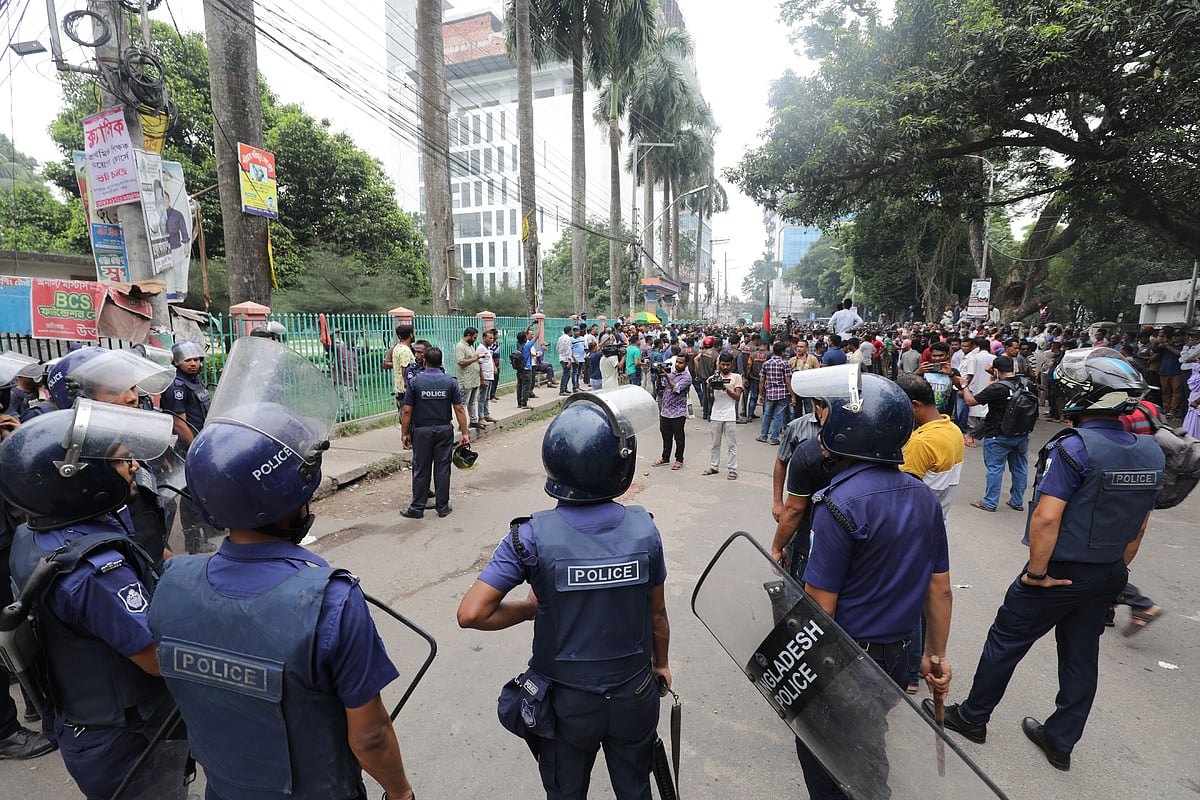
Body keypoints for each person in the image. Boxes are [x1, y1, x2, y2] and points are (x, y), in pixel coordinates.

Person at [147, 336, 417, 800]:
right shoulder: (330, 600)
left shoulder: (172, 581)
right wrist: (402, 794)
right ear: (293, 495)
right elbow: (370, 736)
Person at [933, 348, 1163, 772]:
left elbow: (1046, 518)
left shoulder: (1074, 447)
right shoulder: (1150, 451)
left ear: (1087, 396)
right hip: (1108, 572)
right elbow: (1140, 526)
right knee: (1081, 657)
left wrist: (1037, 574)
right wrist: (1116, 571)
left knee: (1006, 641)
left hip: (1058, 572)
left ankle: (973, 717)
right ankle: (1060, 742)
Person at [456, 386, 671, 800]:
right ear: (619, 466)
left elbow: (472, 613)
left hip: (565, 704)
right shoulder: (646, 531)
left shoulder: (529, 537)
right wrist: (660, 665)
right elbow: (657, 616)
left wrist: (529, 609)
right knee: (635, 788)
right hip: (634, 693)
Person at [0, 401, 190, 799]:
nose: (134, 466)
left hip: (87, 721)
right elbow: (158, 658)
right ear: (78, 481)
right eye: (120, 461)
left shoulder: (36, 533)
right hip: (128, 740)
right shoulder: (97, 573)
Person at [792, 371, 953, 800]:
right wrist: (935, 654)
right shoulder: (923, 497)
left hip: (846, 659)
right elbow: (940, 589)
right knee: (865, 738)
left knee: (829, 758)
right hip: (898, 656)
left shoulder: (837, 503)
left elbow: (819, 608)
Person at [0, 410, 55, 761]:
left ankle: (35, 697)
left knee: (17, 620)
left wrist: (15, 443)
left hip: (7, 537)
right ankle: (4, 732)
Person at [159, 340, 221, 555]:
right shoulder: (177, 386)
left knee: (205, 489)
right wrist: (195, 447)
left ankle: (209, 528)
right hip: (189, 446)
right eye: (188, 360)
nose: (194, 364)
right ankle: (193, 541)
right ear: (177, 362)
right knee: (190, 494)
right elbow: (179, 423)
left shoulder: (195, 381)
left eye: (197, 359)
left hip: (202, 442)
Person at [400, 347, 471, 519]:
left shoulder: (415, 382)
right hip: (444, 430)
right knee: (443, 468)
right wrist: (465, 433)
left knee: (421, 468)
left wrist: (404, 433)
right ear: (441, 362)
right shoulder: (450, 382)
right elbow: (459, 409)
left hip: (422, 431)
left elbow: (407, 410)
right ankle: (443, 507)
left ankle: (417, 508)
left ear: (424, 361)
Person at [959, 355, 1030, 512]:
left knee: (995, 469)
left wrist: (964, 385)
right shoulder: (1026, 384)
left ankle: (990, 502)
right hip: (1021, 433)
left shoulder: (997, 388)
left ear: (996, 371)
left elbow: (970, 401)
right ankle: (1017, 501)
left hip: (998, 435)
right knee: (1020, 469)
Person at [702, 351, 743, 480]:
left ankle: (732, 469)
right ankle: (714, 466)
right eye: (723, 364)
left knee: (731, 444)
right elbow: (709, 398)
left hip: (730, 415)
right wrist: (710, 386)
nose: (725, 367)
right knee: (715, 443)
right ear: (719, 364)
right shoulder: (712, 377)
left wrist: (725, 388)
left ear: (732, 364)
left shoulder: (736, 377)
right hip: (716, 414)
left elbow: (737, 397)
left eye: (728, 364)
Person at [652, 353, 691, 470]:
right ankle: (665, 458)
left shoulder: (687, 377)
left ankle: (679, 459)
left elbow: (676, 388)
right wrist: (659, 377)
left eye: (681, 363)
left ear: (686, 364)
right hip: (665, 411)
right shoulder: (671, 373)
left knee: (679, 438)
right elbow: (660, 388)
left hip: (678, 412)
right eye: (677, 362)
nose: (678, 364)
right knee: (666, 436)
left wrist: (667, 377)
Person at [756, 341, 792, 445]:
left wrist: (760, 394)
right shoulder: (785, 364)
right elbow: (788, 381)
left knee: (767, 415)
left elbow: (762, 380)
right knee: (778, 416)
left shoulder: (766, 363)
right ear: (782, 352)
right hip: (782, 394)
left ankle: (763, 436)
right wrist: (792, 395)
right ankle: (774, 438)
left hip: (769, 393)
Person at [455, 326, 484, 430]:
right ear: (468, 335)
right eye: (474, 337)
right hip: (466, 380)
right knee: (463, 403)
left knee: (472, 402)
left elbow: (473, 358)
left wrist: (478, 357)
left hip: (474, 379)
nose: (475, 340)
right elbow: (461, 362)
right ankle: (462, 424)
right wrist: (474, 358)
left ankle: (473, 421)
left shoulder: (470, 346)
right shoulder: (460, 346)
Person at [391, 324, 416, 414]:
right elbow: (404, 371)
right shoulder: (405, 350)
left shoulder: (397, 348)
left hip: (400, 388)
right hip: (406, 390)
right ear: (411, 335)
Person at [477, 327, 496, 424]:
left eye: (492, 338)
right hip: (485, 376)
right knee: (482, 398)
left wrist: (494, 368)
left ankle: (486, 415)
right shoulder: (480, 348)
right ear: (484, 338)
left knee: (487, 397)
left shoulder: (487, 348)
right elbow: (479, 364)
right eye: (489, 338)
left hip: (489, 376)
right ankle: (481, 417)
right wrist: (482, 378)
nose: (491, 340)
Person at [515, 331, 534, 408]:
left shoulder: (518, 344)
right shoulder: (527, 346)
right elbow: (536, 337)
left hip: (520, 369)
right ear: (525, 338)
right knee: (526, 387)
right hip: (527, 369)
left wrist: (529, 326)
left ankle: (519, 403)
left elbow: (522, 336)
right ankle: (524, 403)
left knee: (519, 385)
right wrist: (540, 325)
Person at [556, 325, 574, 396]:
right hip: (566, 359)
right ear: (570, 331)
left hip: (561, 357)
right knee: (565, 374)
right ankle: (562, 390)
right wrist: (569, 360)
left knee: (567, 374)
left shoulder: (560, 338)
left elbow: (557, 348)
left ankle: (565, 388)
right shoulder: (568, 339)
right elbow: (568, 349)